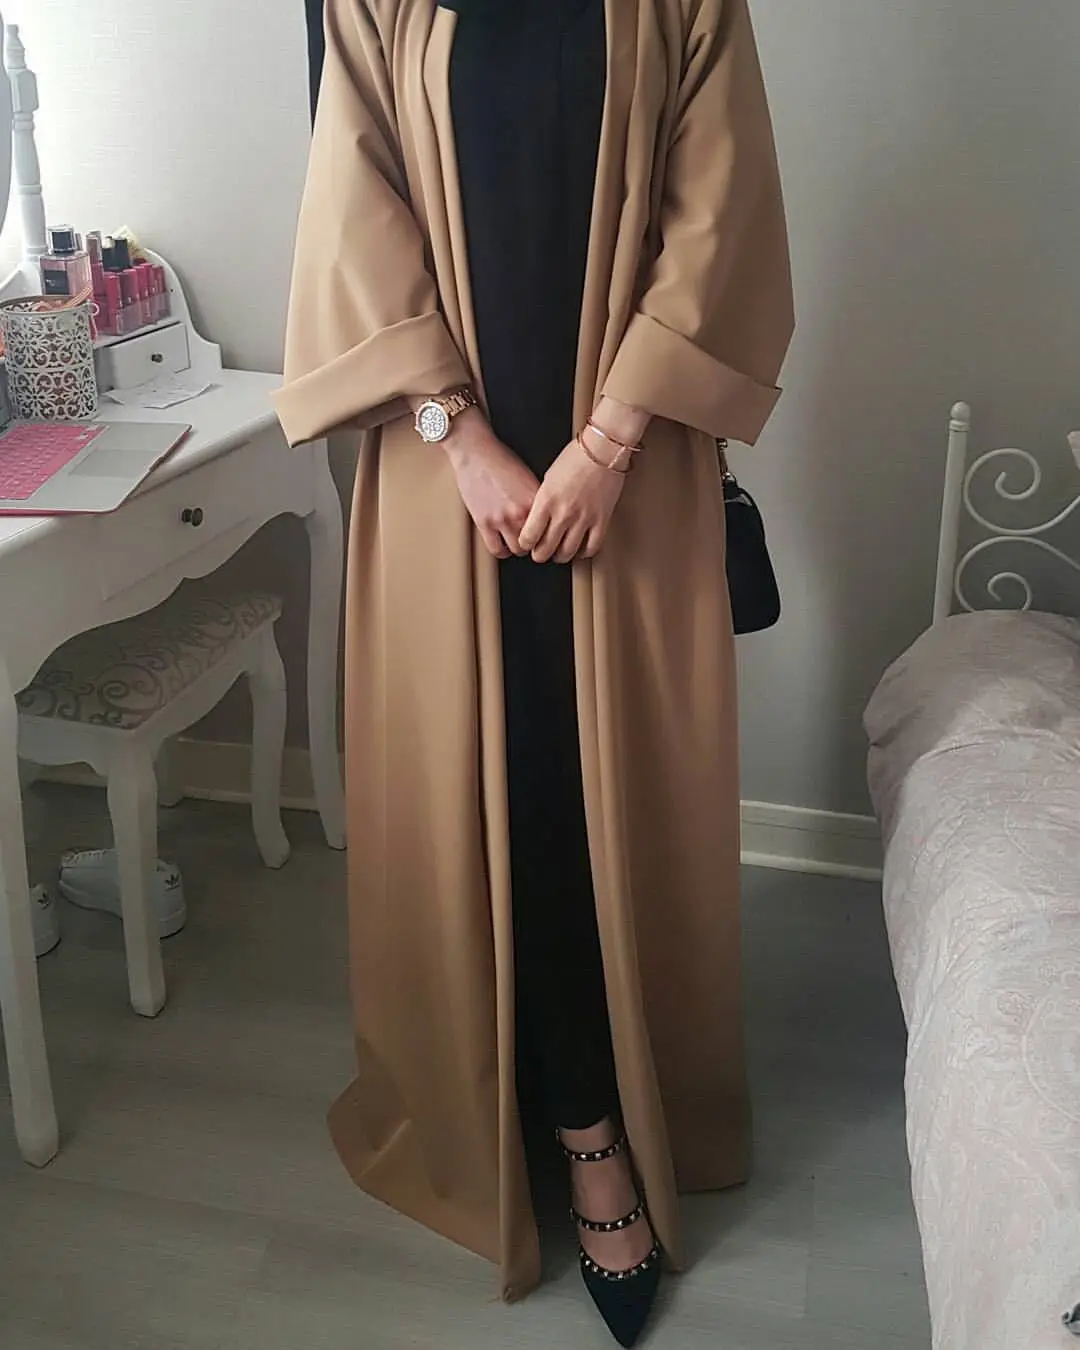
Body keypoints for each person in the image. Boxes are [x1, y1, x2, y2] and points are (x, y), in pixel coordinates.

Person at [274, 0, 792, 1344]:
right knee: (478, 785)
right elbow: (355, 220)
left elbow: (720, 214)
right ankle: (503, 1106)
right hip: (445, 477)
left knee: (590, 792)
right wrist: (461, 440)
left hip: (630, 473)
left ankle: (603, 1127)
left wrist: (605, 448)